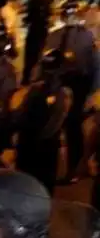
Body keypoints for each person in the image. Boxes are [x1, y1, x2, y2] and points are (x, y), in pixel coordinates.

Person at [44, 0, 99, 183]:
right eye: (67, 13)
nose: (70, 17)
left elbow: (94, 66)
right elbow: (44, 62)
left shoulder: (87, 36)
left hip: (78, 85)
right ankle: (48, 168)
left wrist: (91, 94)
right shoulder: (54, 35)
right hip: (55, 84)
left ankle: (74, 169)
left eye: (73, 13)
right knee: (51, 125)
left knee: (73, 128)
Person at [14, 49, 72, 194]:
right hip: (30, 143)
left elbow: (55, 123)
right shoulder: (36, 89)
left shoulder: (62, 93)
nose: (49, 74)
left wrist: (38, 139)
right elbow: (22, 113)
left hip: (42, 147)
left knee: (41, 187)